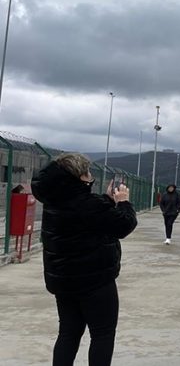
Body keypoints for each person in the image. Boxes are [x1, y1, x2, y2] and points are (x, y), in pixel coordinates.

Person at [31, 152, 137, 366]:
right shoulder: (86, 204)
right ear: (79, 177)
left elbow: (87, 218)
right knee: (103, 334)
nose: (90, 176)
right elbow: (123, 225)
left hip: (63, 281)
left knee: (68, 333)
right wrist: (123, 202)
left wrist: (107, 200)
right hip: (95, 282)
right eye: (87, 172)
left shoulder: (54, 200)